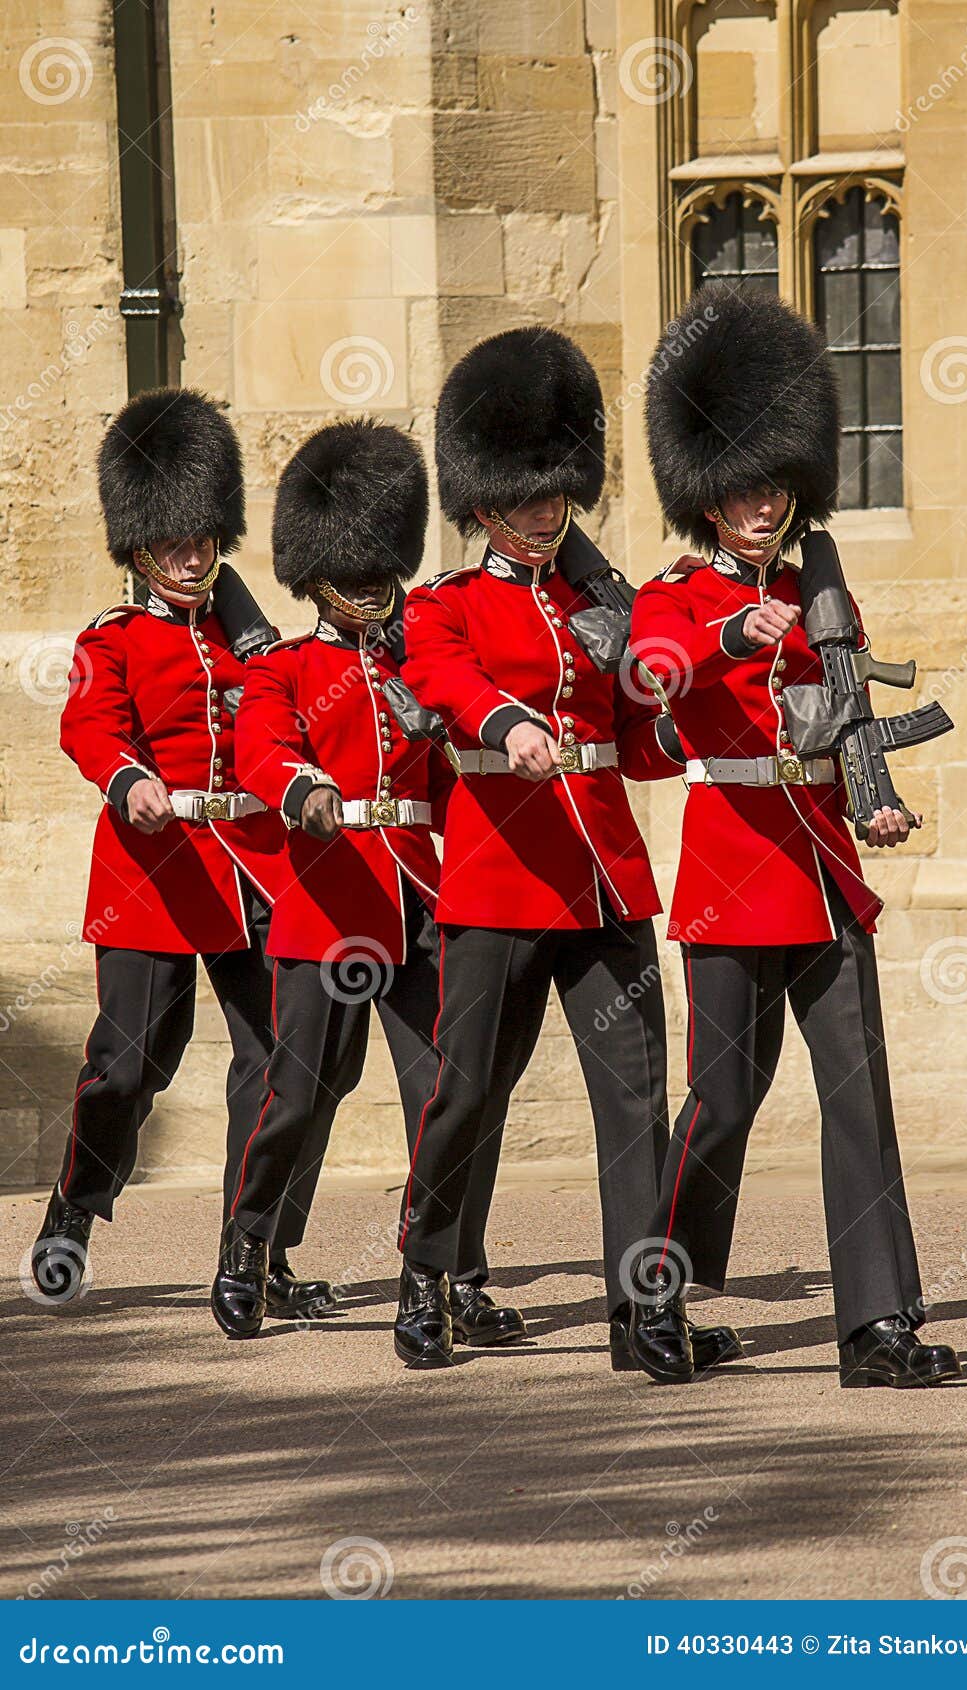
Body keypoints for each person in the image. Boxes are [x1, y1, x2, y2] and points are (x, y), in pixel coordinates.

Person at [628, 284, 961, 1389]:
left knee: (857, 1094)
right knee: (723, 1103)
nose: (763, 502)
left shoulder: (831, 601)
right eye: (740, 485)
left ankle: (875, 1325)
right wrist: (732, 628)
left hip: (825, 865)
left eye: (775, 482)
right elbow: (650, 676)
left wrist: (874, 799)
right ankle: (655, 1301)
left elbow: (845, 720)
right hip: (730, 868)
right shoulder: (674, 595)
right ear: (705, 496)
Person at [396, 326, 741, 1377]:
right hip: (500, 882)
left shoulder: (601, 605)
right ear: (484, 499)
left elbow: (634, 743)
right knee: (467, 1093)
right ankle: (428, 1275)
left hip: (603, 884)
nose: (550, 511)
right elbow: (445, 685)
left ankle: (644, 1316)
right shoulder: (440, 606)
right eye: (530, 495)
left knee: (635, 1104)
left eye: (559, 493)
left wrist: (690, 721)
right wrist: (509, 727)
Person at [220, 417, 524, 1356]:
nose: (364, 587)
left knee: (454, 1095)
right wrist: (303, 791)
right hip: (329, 905)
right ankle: (248, 1247)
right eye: (346, 573)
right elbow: (263, 751)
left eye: (374, 568)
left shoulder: (411, 667)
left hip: (423, 905)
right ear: (314, 579)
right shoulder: (281, 667)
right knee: (302, 1094)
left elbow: (440, 783)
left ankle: (452, 1273)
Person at [32, 388, 337, 1320]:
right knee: (127, 1068)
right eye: (173, 541)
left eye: (203, 537)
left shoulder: (254, 645)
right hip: (153, 871)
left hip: (252, 864)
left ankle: (257, 1250)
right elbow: (90, 729)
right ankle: (74, 1212)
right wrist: (131, 782)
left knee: (286, 1063)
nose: (192, 555)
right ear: (139, 549)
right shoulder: (111, 640)